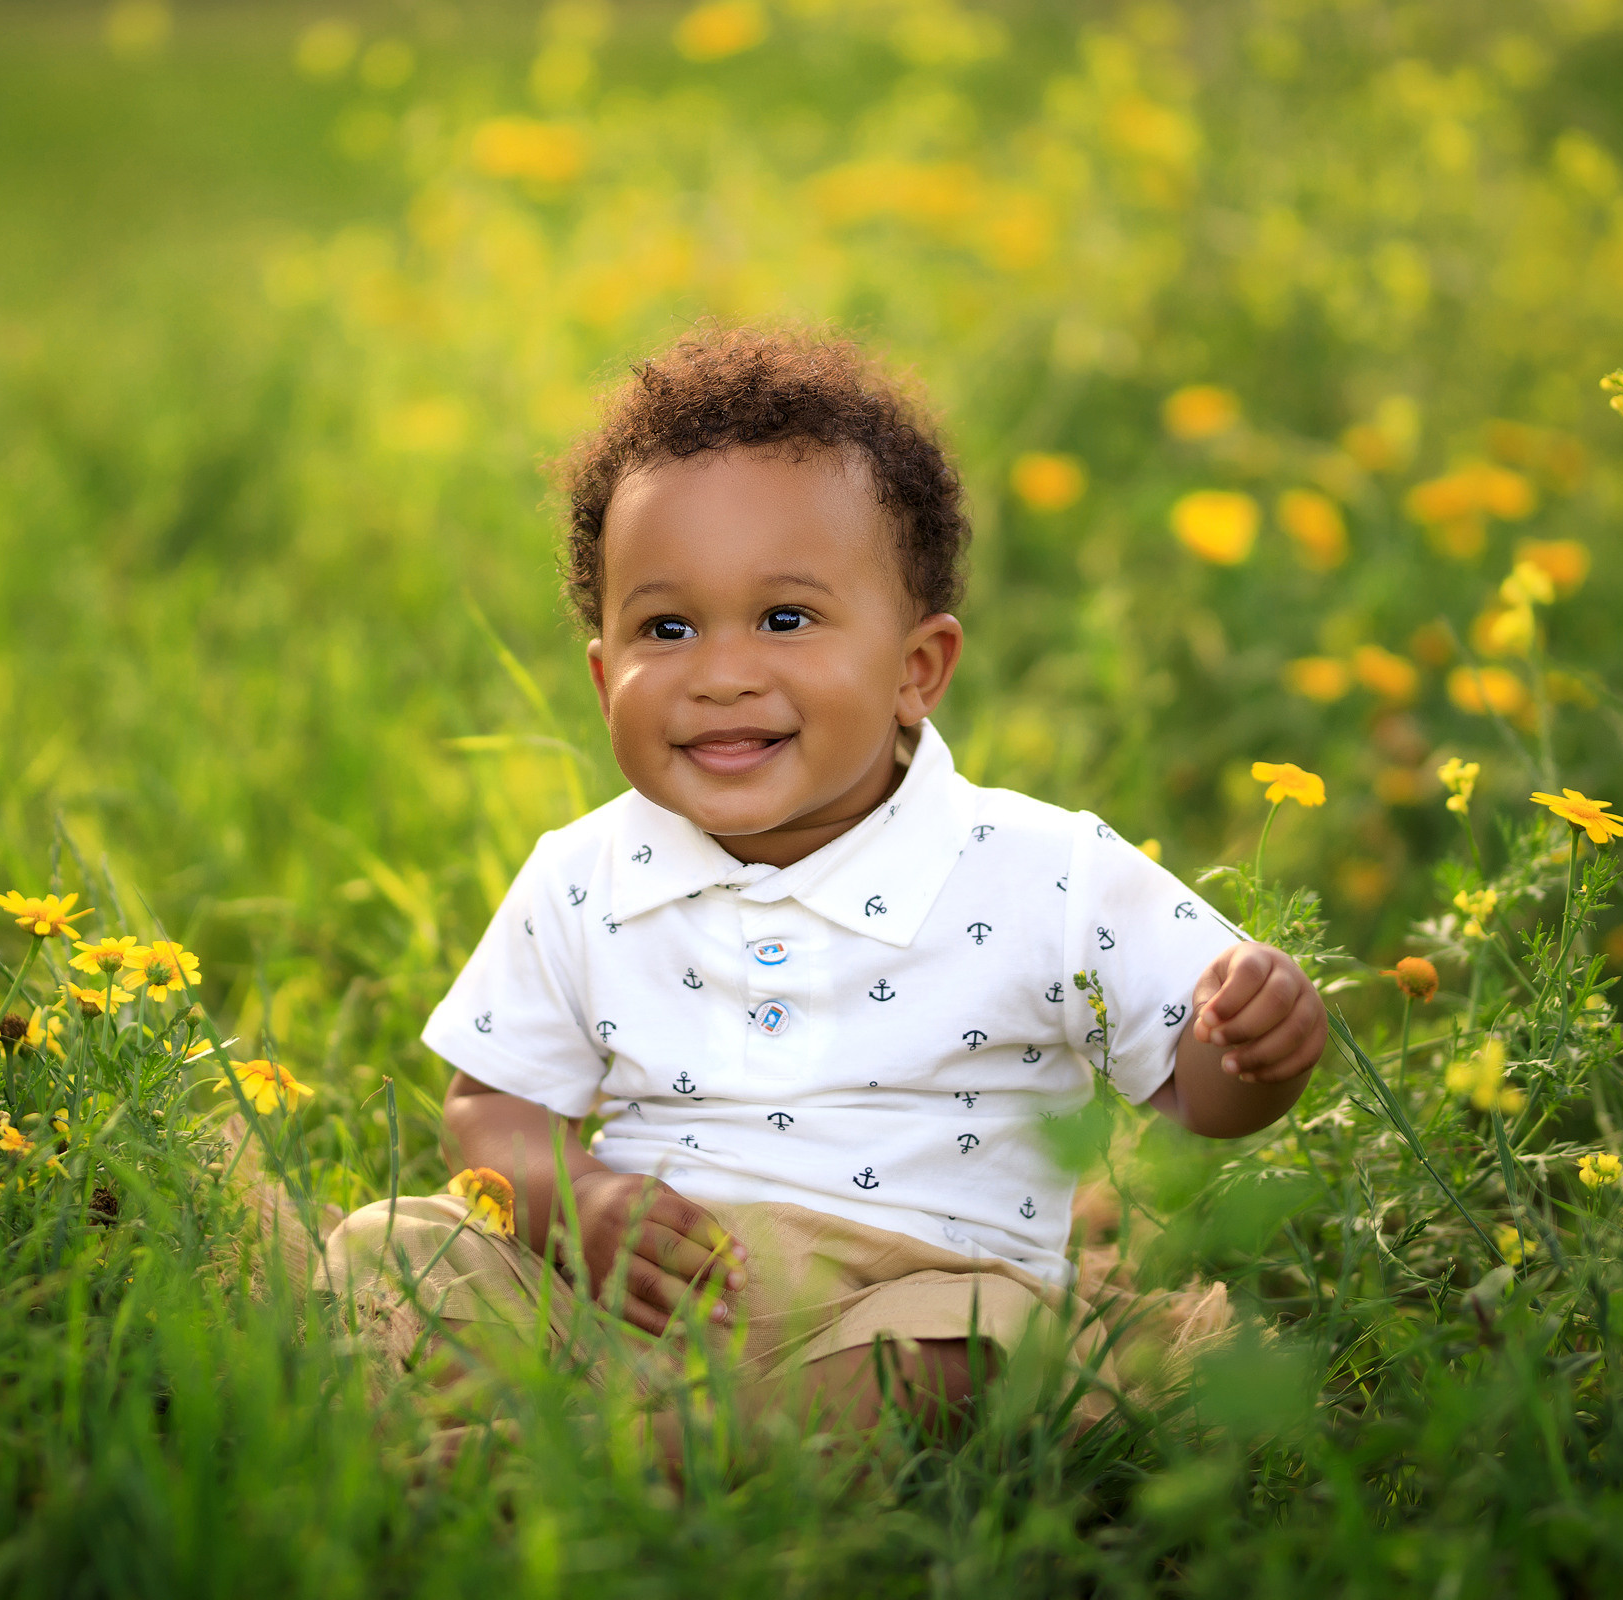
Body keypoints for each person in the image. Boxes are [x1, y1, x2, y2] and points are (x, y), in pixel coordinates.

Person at [312, 325, 1324, 1454]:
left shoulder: (1045, 868)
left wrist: (1253, 1045)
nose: (722, 673)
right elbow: (490, 1109)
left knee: (980, 1357)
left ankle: (633, 1455)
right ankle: (636, 1434)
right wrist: (573, 1200)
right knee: (390, 1249)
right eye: (667, 628)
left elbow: (1203, 1098)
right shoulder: (585, 876)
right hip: (650, 1297)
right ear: (605, 677)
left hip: (917, 1295)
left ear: (915, 670)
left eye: (785, 619)